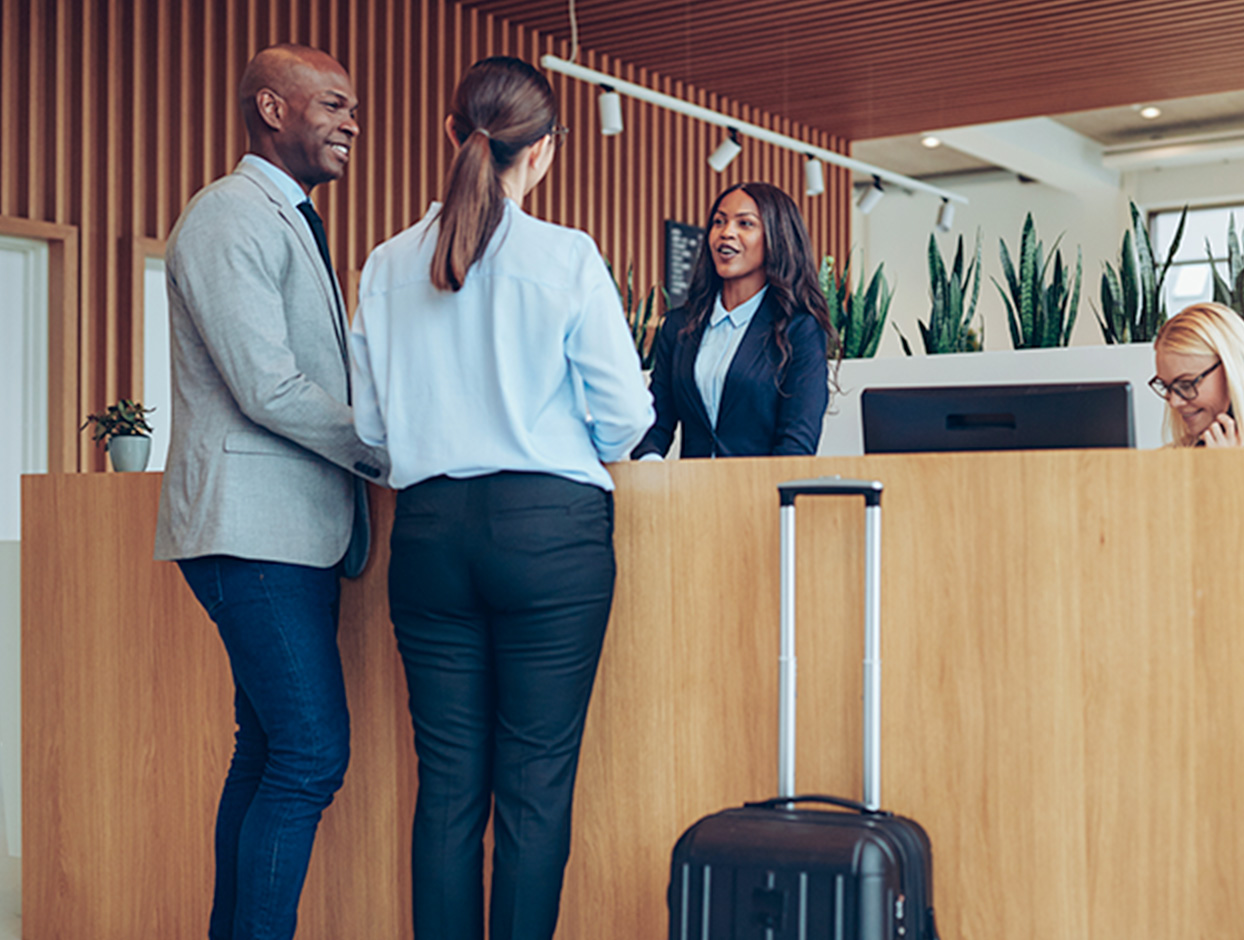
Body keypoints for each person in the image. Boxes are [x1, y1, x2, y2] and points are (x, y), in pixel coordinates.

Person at [349, 56, 653, 940]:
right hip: (549, 535)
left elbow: (373, 427)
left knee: (446, 784)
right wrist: (563, 450)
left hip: (430, 534)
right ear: (546, 152)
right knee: (534, 783)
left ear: (454, 135)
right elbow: (627, 415)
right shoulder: (564, 257)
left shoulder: (386, 263)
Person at [154, 44, 387, 940]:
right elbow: (268, 386)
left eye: (352, 107)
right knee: (310, 755)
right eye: (333, 104)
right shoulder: (227, 216)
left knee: (267, 752)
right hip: (252, 536)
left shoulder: (285, 216)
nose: (352, 123)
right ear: (270, 108)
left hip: (291, 534)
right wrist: (388, 451)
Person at [631, 181, 838, 459]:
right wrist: (650, 463)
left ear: (776, 236)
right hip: (687, 495)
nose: (726, 233)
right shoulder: (678, 326)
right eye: (719, 222)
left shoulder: (800, 329)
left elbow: (797, 442)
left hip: (760, 494)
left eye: (745, 224)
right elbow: (656, 423)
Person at [1151, 301, 1244, 447]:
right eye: (1167, 387)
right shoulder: (1171, 457)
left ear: (1229, 372)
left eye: (1186, 385)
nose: (1174, 402)